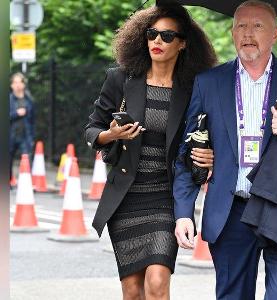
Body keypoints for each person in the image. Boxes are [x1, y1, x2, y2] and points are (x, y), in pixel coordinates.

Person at [173, 1, 277, 299]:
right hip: (231, 210)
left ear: (275, 34)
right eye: (241, 26)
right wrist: (183, 213)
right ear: (232, 33)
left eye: (257, 26)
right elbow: (188, 150)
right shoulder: (209, 83)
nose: (248, 33)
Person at [84, 3, 216, 299]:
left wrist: (212, 156)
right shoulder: (120, 79)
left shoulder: (194, 88)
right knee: (132, 292)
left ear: (182, 44)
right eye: (152, 33)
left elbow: (207, 135)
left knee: (156, 282)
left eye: (168, 36)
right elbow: (91, 131)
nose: (158, 41)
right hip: (127, 197)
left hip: (165, 198)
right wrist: (111, 134)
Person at [9, 72, 35, 184]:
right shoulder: (8, 99)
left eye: (20, 82)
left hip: (25, 135)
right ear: (11, 85)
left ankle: (26, 184)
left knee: (27, 160)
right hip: (10, 135)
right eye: (15, 82)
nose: (17, 85)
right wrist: (16, 113)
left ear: (24, 85)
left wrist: (32, 137)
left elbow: (33, 120)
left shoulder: (29, 100)